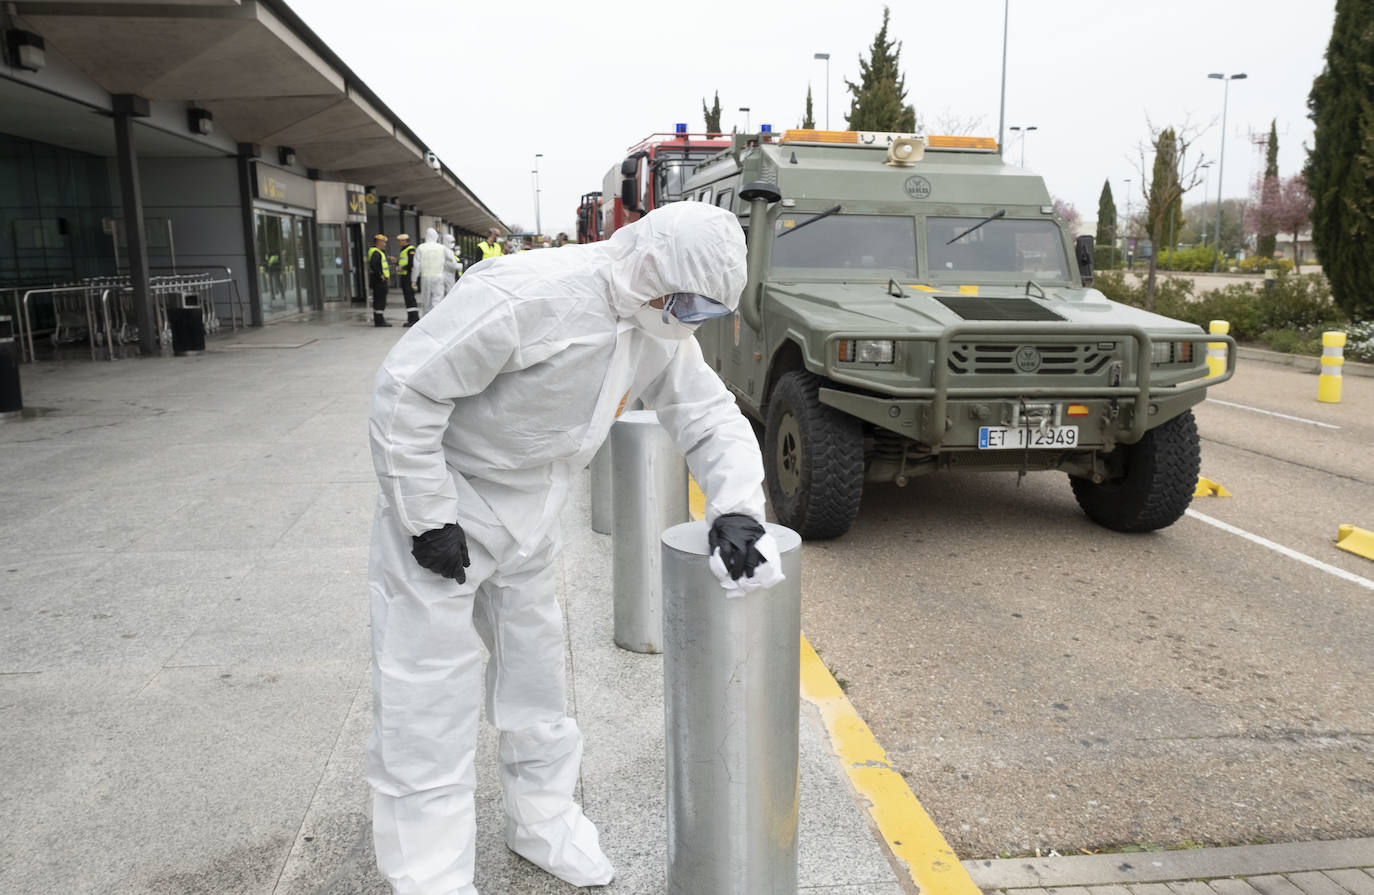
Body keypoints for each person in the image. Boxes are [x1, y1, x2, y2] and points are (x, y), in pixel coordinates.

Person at [366, 201, 780, 895]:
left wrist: (738, 506)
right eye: (687, 305)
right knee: (428, 692)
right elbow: (407, 390)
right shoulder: (524, 294)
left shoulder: (660, 325)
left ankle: (542, 819)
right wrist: (426, 514)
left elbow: (704, 411)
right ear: (652, 271)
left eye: (704, 313)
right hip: (450, 509)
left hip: (531, 516)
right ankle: (428, 873)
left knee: (536, 679)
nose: (690, 322)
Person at [414, 227, 448, 317]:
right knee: (437, 299)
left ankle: (426, 320)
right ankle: (436, 319)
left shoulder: (420, 247)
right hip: (438, 277)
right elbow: (451, 260)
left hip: (425, 277)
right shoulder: (442, 248)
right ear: (436, 236)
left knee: (426, 301)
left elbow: (416, 266)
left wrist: (413, 280)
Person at [368, 234, 392, 327]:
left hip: (378, 280)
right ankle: (380, 321)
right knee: (380, 300)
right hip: (379, 281)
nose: (385, 244)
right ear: (378, 242)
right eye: (383, 242)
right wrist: (380, 275)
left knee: (379, 300)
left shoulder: (378, 252)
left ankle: (379, 319)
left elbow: (378, 263)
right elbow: (373, 265)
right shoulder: (376, 252)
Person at [396, 234, 419, 326]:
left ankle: (414, 319)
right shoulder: (404, 250)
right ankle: (411, 319)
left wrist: (402, 268)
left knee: (410, 298)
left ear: (404, 241)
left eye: (400, 241)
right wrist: (397, 262)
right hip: (405, 278)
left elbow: (411, 263)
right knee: (408, 299)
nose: (399, 243)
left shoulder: (410, 249)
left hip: (408, 277)